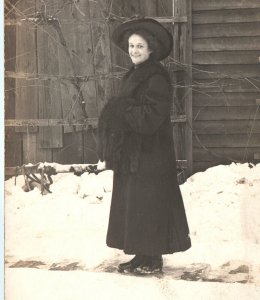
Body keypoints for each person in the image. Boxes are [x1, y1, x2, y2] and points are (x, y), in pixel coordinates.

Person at [97, 18, 191, 275]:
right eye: (131, 46)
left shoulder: (156, 77)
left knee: (150, 205)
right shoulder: (135, 74)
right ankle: (141, 254)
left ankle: (154, 258)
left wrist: (121, 108)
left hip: (152, 155)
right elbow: (128, 112)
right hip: (134, 154)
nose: (134, 51)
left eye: (140, 46)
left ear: (151, 49)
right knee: (136, 205)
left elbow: (149, 119)